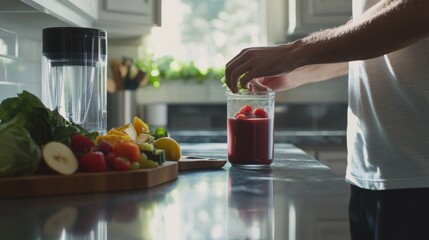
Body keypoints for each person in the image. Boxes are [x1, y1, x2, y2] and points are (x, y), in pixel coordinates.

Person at [225, 0, 429, 239]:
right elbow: (369, 41)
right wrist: (292, 72)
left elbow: (418, 9)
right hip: (372, 173)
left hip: (418, 174)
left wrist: (293, 52)